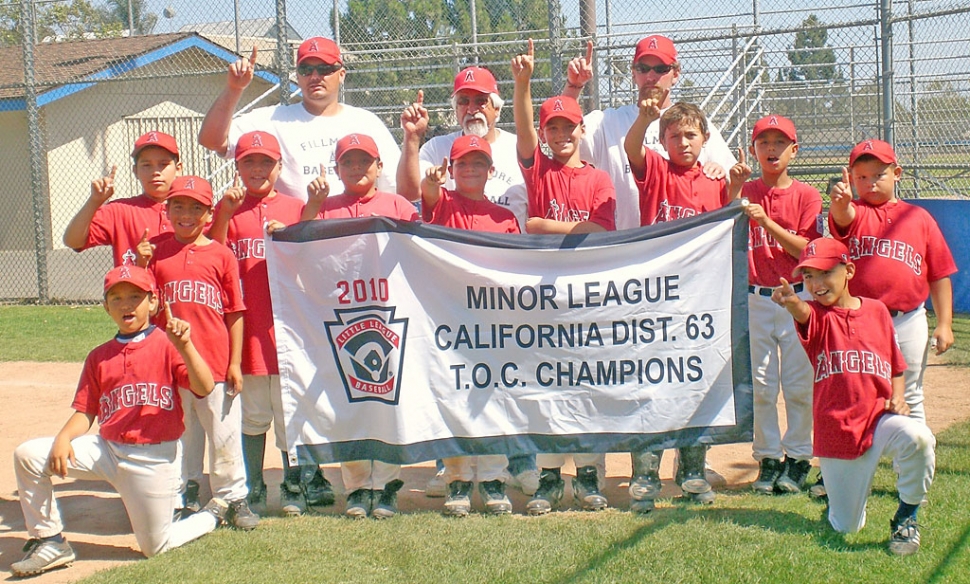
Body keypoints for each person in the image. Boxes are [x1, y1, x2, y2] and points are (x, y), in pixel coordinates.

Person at [11, 266, 222, 578]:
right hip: (106, 450)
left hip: (152, 459)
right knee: (28, 455)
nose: (127, 304)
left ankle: (211, 515)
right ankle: (51, 540)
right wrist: (63, 438)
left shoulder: (167, 344)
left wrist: (186, 346)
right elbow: (86, 411)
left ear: (153, 303)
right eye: (117, 297)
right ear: (105, 305)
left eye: (136, 296)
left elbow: (204, 387)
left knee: (156, 547)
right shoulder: (99, 356)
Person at [772, 237, 935, 556]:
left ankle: (906, 517)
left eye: (824, 273)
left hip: (879, 420)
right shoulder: (818, 317)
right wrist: (791, 302)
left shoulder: (876, 311)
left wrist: (898, 398)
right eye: (808, 276)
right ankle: (839, 495)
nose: (816, 284)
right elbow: (804, 311)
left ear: (848, 270)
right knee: (846, 526)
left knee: (919, 438)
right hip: (838, 432)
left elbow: (896, 367)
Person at [509, 40, 614, 514]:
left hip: (588, 291)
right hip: (545, 291)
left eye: (567, 126)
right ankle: (551, 477)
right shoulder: (538, 171)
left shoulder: (598, 177)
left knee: (589, 378)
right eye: (553, 127)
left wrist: (545, 226)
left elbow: (599, 231)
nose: (560, 134)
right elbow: (523, 129)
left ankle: (590, 475)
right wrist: (523, 82)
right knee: (547, 381)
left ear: (579, 128)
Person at [207, 131, 332, 517]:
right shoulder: (226, 207)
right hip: (247, 331)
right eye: (248, 162)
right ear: (237, 167)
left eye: (265, 162)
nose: (257, 169)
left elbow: (315, 256)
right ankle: (254, 485)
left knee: (290, 412)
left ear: (280, 166)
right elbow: (211, 251)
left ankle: (293, 485)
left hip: (289, 331)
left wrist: (310, 209)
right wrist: (225, 212)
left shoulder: (295, 207)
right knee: (253, 414)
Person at [623, 99, 730, 512]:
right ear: (663, 141)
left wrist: (731, 180)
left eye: (690, 134)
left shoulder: (715, 182)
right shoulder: (656, 169)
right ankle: (645, 476)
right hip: (653, 298)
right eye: (674, 135)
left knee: (694, 383)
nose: (683, 142)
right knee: (649, 383)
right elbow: (633, 149)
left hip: (698, 299)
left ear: (705, 139)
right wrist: (644, 120)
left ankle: (691, 471)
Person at [303, 133, 417, 519]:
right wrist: (313, 206)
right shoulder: (326, 208)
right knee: (346, 398)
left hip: (388, 314)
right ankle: (355, 487)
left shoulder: (398, 205)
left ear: (379, 166)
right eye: (348, 162)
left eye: (364, 161)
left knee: (387, 398)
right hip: (342, 317)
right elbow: (299, 251)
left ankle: (385, 485)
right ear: (336, 169)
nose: (356, 169)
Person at [139, 176, 256, 529]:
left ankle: (234, 497)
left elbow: (235, 312)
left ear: (209, 214)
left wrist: (235, 362)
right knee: (180, 434)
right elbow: (141, 303)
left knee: (224, 434)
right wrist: (142, 264)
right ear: (167, 210)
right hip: (170, 365)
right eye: (178, 206)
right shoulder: (156, 250)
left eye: (196, 208)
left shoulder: (221, 254)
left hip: (215, 363)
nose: (186, 214)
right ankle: (182, 493)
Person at [421, 135, 519, 516]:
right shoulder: (444, 203)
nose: (471, 169)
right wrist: (434, 180)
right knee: (456, 397)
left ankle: (494, 479)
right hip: (450, 318)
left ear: (491, 170)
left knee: (493, 398)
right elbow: (429, 193)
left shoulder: (505, 218)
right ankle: (458, 480)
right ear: (452, 169)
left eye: (478, 162)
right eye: (462, 163)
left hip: (493, 321)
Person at [828, 139, 957, 423]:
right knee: (858, 394)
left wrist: (945, 323)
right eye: (862, 176)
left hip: (908, 319)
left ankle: (916, 465)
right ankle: (853, 464)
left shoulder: (918, 218)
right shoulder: (855, 211)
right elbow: (843, 219)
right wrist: (841, 203)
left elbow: (939, 274)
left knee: (909, 396)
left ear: (896, 173)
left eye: (879, 174)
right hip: (860, 321)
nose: (871, 182)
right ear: (850, 177)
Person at [730, 115, 822, 495]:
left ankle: (799, 457)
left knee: (799, 384)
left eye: (779, 142)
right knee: (763, 385)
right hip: (755, 296)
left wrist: (766, 222)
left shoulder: (806, 195)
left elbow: (808, 250)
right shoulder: (746, 189)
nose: (771, 149)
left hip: (797, 295)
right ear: (754, 149)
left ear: (793, 150)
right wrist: (734, 188)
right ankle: (768, 458)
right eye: (764, 142)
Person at [563, 35, 736, 230]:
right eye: (643, 68)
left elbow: (730, 183)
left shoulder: (694, 125)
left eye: (661, 69)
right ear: (633, 73)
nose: (651, 77)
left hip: (680, 247)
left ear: (676, 73)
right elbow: (562, 135)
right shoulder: (608, 121)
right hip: (620, 244)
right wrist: (573, 87)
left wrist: (719, 170)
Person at [199, 37, 400, 202]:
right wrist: (234, 89)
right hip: (295, 238)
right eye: (306, 69)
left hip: (354, 235)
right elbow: (211, 140)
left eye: (324, 69)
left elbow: (393, 187)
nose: (315, 76)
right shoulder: (272, 119)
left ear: (341, 74)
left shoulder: (366, 122)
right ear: (298, 74)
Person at [398, 65, 529, 231]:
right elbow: (408, 195)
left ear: (496, 109)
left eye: (481, 101)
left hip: (502, 251)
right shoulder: (438, 147)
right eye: (463, 101)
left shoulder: (518, 149)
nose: (472, 109)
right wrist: (412, 137)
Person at [63, 131, 181, 266]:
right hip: (135, 287)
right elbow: (73, 241)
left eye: (163, 164)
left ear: (178, 169)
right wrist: (94, 202)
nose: (155, 172)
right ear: (135, 171)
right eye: (146, 165)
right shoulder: (120, 210)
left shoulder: (191, 210)